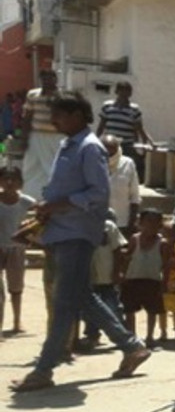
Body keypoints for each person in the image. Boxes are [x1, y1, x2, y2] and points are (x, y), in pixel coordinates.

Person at [9, 91, 151, 393]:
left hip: (77, 234)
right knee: (81, 296)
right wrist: (45, 210)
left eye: (59, 115)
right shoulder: (67, 145)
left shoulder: (89, 148)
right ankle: (132, 346)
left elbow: (97, 195)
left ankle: (43, 369)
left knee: (64, 303)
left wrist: (57, 205)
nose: (55, 120)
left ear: (76, 115)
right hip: (61, 232)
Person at [120, 208, 172, 347]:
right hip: (133, 279)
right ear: (140, 223)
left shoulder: (163, 243)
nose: (151, 225)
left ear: (160, 225)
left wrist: (165, 284)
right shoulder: (134, 239)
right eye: (148, 221)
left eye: (156, 222)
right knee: (129, 310)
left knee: (152, 310)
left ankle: (149, 337)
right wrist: (122, 275)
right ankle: (132, 337)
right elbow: (127, 258)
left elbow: (166, 265)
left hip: (153, 280)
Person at [79, 209, 128, 351]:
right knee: (89, 310)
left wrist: (117, 271)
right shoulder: (82, 227)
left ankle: (123, 336)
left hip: (107, 276)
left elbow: (118, 250)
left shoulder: (109, 227)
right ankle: (92, 336)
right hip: (89, 277)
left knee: (114, 307)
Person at [0, 166, 35, 335]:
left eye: (13, 179)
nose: (9, 182)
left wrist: (31, 237)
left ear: (20, 182)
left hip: (17, 248)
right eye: (6, 178)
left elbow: (39, 218)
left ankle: (16, 321)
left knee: (16, 287)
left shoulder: (26, 202)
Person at [21, 70, 62, 200]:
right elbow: (27, 117)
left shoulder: (61, 96)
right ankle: (29, 196)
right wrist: (24, 138)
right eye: (44, 78)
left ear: (55, 80)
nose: (47, 81)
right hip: (36, 136)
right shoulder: (33, 94)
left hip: (56, 137)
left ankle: (51, 197)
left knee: (53, 167)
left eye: (50, 78)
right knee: (31, 167)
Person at [96, 81, 154, 171]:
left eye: (127, 91)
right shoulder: (107, 106)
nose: (124, 93)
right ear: (116, 92)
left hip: (127, 145)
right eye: (122, 90)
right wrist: (97, 141)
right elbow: (101, 126)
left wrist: (145, 145)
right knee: (107, 168)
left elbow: (139, 129)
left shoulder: (134, 109)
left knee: (125, 168)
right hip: (109, 145)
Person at [101, 135, 141, 234]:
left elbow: (135, 197)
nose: (109, 156)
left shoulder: (128, 164)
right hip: (97, 223)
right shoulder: (93, 163)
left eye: (111, 152)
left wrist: (131, 225)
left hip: (122, 224)